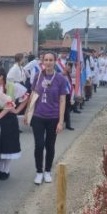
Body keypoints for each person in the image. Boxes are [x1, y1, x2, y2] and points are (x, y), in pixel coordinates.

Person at [26, 53, 70, 185]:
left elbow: (62, 101)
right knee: (39, 145)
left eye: (51, 60)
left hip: (53, 117)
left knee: (50, 145)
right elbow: (33, 94)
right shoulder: (38, 76)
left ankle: (47, 171)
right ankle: (39, 172)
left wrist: (61, 121)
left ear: (55, 61)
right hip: (38, 116)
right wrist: (27, 112)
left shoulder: (60, 79)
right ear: (42, 61)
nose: (48, 62)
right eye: (46, 60)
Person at [0, 68, 25, 181]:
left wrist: (17, 110)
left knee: (8, 145)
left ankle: (6, 170)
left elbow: (26, 97)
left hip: (9, 118)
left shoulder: (12, 86)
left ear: (1, 77)